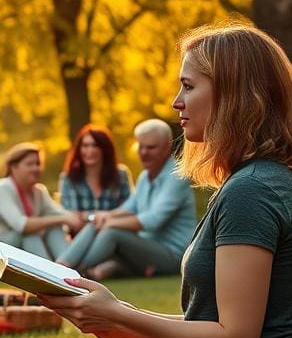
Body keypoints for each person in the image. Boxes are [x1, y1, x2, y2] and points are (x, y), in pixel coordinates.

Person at [25, 23, 292, 338]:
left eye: (189, 86)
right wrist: (118, 323)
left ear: (234, 94)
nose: (176, 102)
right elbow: (216, 325)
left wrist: (121, 315)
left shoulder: (255, 190)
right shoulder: (246, 182)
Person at [56, 118, 196, 279]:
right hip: (145, 249)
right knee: (98, 222)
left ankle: (67, 275)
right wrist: (103, 217)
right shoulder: (145, 177)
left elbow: (153, 220)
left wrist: (109, 222)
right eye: (141, 147)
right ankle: (62, 265)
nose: (143, 153)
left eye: (151, 147)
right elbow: (130, 207)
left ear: (167, 148)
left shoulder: (177, 177)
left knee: (111, 232)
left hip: (173, 255)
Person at [0, 142, 81, 283]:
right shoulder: (2, 188)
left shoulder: (38, 192)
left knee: (54, 227)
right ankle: (52, 277)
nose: (36, 168)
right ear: (13, 167)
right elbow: (22, 225)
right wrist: (64, 219)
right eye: (30, 164)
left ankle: (68, 272)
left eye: (38, 164)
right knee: (29, 233)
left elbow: (62, 214)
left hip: (10, 261)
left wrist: (90, 217)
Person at [59, 124, 132, 217]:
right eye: (85, 145)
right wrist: (97, 217)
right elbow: (71, 215)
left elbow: (128, 210)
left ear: (105, 149)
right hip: (82, 227)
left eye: (95, 145)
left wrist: (87, 216)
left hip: (114, 226)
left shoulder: (121, 175)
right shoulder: (69, 178)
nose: (90, 150)